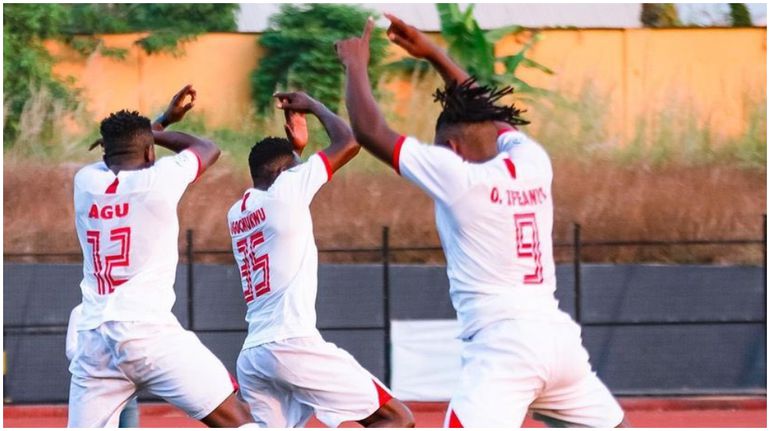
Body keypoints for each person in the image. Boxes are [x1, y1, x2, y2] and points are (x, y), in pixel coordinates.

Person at [335, 16, 628, 428]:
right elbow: (490, 114)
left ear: (451, 147)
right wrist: (434, 53)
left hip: (504, 349)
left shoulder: (458, 176)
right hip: (559, 342)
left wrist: (355, 64)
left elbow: (370, 131)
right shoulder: (531, 161)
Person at [69, 85, 255, 427]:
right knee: (238, 420)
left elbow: (123, 156)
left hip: (94, 343)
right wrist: (163, 127)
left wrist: (158, 125)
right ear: (150, 153)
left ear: (104, 153)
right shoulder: (159, 180)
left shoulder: (86, 182)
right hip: (146, 334)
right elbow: (206, 148)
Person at [228, 91, 414, 428]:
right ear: (287, 173)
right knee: (395, 418)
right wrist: (312, 106)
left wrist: (295, 150)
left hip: (254, 355)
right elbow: (349, 141)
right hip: (292, 342)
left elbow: (279, 184)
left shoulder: (239, 210)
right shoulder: (288, 189)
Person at [66, 304, 139, 427]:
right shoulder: (79, 312)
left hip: (126, 388)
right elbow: (70, 350)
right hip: (95, 390)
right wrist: (95, 357)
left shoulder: (124, 308)